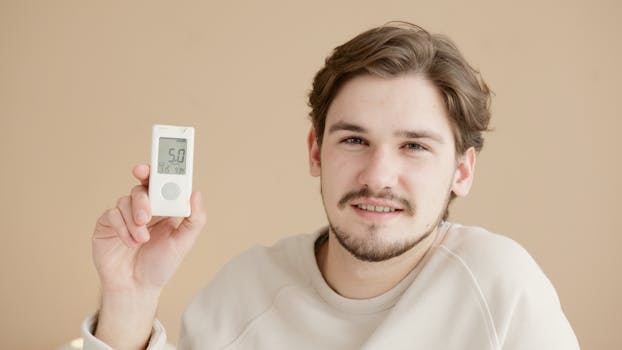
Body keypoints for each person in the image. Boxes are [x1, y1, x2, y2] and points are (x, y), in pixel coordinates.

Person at [82, 22, 580, 349]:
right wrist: (132, 296)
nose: (378, 176)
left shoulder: (502, 288)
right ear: (316, 151)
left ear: (462, 171)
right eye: (355, 140)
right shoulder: (242, 295)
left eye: (415, 146)